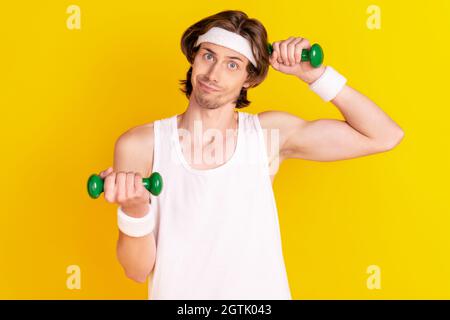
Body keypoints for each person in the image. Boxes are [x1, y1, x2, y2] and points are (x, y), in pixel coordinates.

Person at [99, 10, 404, 299]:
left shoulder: (269, 135)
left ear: (249, 78)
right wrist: (135, 208)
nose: (213, 73)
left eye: (232, 64)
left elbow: (384, 136)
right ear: (194, 57)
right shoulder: (140, 145)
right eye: (208, 56)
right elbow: (136, 271)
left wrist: (315, 76)